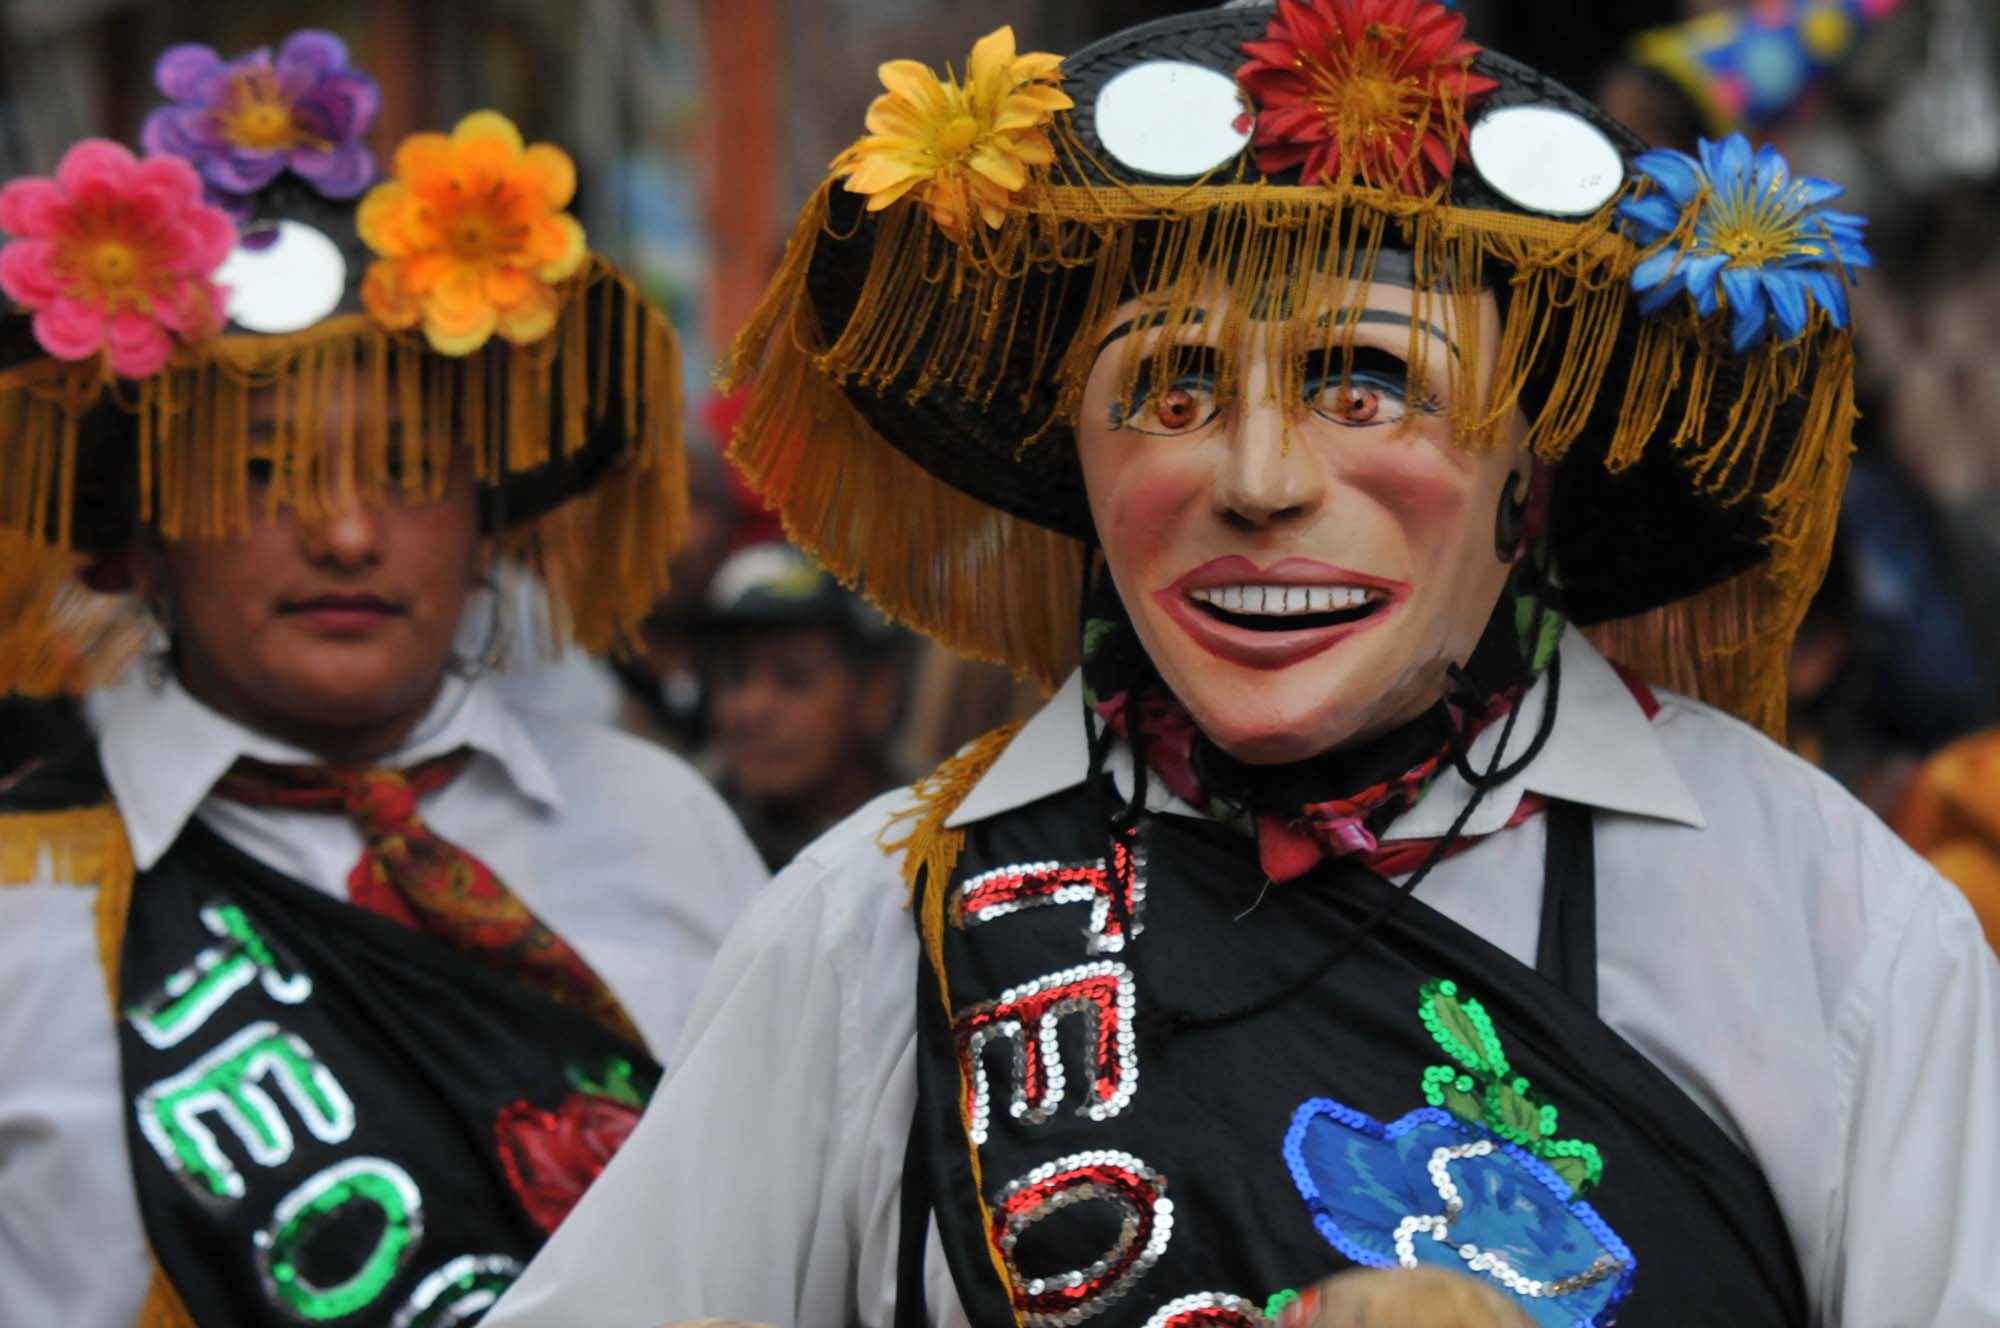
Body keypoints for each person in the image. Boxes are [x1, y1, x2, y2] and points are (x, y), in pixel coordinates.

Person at [489, 4, 2000, 1325]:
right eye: (1173, 386)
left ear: (1530, 473)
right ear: (1077, 463)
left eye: (1367, 379)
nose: (1262, 477)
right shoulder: (877, 934)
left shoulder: (1829, 929)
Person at [0, 31, 765, 1328]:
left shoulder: (658, 820)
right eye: (258, 475)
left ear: (487, 524)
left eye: (409, 470)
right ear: (136, 542)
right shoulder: (23, 892)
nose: (347, 535)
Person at [703, 542, 909, 871]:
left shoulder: (946, 837)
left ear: (875, 694)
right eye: (735, 676)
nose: (751, 709)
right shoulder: (683, 840)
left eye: (794, 678)